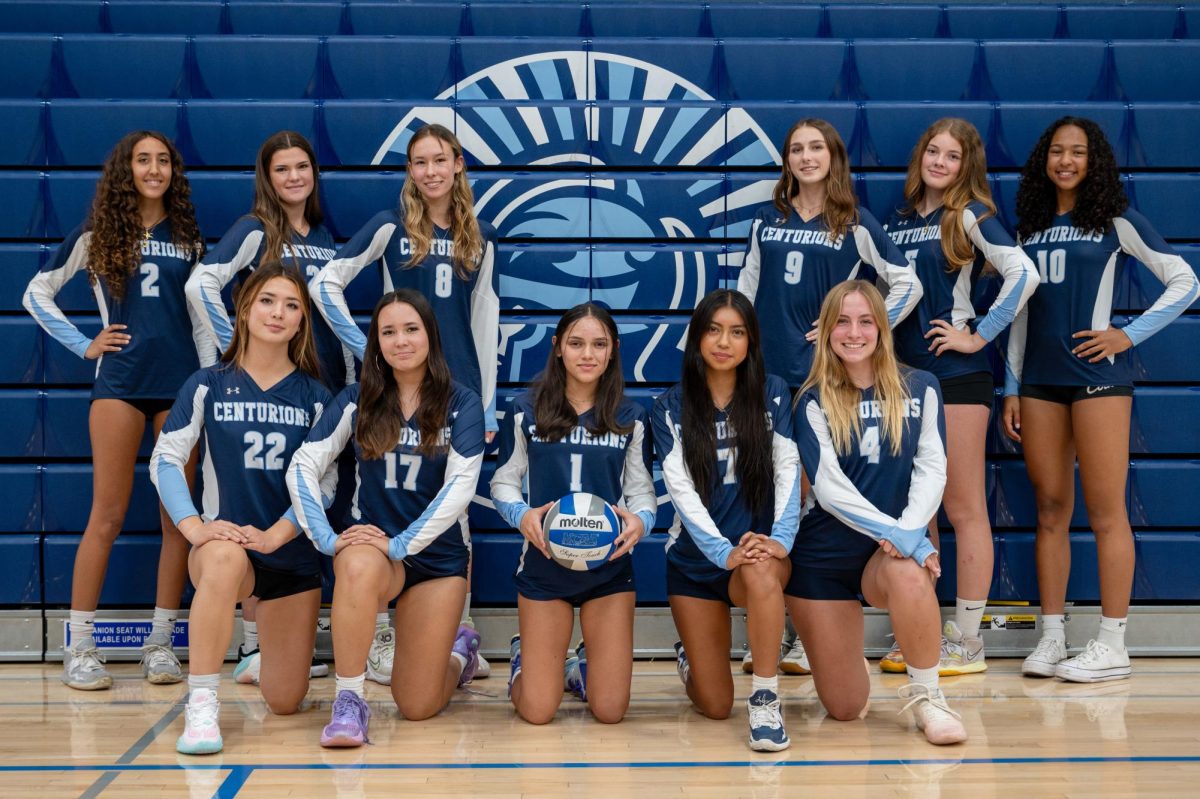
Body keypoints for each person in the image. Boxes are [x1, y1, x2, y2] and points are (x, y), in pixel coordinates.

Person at [1004, 117, 1199, 682]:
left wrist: (1127, 334)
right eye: (1057, 151)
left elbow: (1184, 280)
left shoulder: (1114, 220)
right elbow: (1019, 316)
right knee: (1049, 511)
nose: (1066, 160)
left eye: (1079, 152)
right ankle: (1052, 637)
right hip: (1039, 383)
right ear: (1045, 160)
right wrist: (1013, 388)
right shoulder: (1029, 229)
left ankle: (1113, 642)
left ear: (1096, 162)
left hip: (1098, 381)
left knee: (1108, 511)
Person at [311, 123, 499, 684]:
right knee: (382, 495)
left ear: (459, 164)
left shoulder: (480, 236)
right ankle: (382, 637)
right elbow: (325, 284)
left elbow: (485, 319)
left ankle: (456, 634)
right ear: (410, 172)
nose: (431, 171)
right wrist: (365, 348)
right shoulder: (390, 228)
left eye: (440, 160)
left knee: (453, 512)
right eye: (420, 162)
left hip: (455, 393)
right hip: (396, 392)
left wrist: (486, 405)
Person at [23, 130, 203, 691]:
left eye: (163, 161)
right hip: (120, 384)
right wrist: (85, 344)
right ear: (125, 170)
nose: (154, 169)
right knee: (108, 513)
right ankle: (81, 646)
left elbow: (202, 320)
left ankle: (161, 644)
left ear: (174, 171)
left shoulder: (190, 238)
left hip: (179, 389)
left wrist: (210, 380)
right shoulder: (98, 232)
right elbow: (37, 292)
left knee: (177, 520)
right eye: (143, 160)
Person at [288, 289, 485, 747]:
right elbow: (303, 464)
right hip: (377, 554)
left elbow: (460, 488)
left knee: (417, 706)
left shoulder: (463, 403)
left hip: (437, 559)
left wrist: (402, 543)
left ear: (431, 337)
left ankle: (459, 656)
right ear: (375, 343)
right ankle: (350, 700)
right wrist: (327, 538)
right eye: (388, 332)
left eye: (411, 329)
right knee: (355, 561)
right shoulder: (358, 399)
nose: (401, 341)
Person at [185, 130, 347, 683]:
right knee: (250, 495)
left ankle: (277, 646)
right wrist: (241, 351)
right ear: (267, 177)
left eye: (303, 166)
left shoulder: (326, 236)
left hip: (315, 390)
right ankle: (253, 646)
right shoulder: (256, 230)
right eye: (282, 169)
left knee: (302, 497)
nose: (295, 177)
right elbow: (200, 284)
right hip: (262, 385)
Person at [880, 118, 1039, 675]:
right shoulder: (896, 222)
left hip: (956, 376)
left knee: (963, 506)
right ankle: (921, 633)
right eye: (933, 151)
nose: (940, 162)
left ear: (966, 165)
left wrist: (977, 335)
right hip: (902, 378)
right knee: (916, 509)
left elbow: (1024, 275)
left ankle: (967, 641)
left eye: (952, 156)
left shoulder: (969, 214)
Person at [151, 264, 331, 755]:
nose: (279, 313)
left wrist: (279, 533)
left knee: (287, 700)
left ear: (301, 324)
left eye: (292, 305)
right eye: (268, 300)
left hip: (289, 554)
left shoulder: (316, 397)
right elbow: (166, 458)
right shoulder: (208, 382)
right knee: (226, 556)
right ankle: (202, 702)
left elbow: (327, 486)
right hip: (225, 548)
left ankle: (261, 662)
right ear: (245, 309)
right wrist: (192, 526)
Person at [787, 280, 966, 746]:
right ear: (826, 331)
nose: (854, 332)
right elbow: (829, 489)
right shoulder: (811, 399)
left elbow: (932, 468)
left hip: (884, 557)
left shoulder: (921, 387)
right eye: (842, 322)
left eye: (866, 321)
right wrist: (902, 532)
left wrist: (907, 534)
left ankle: (928, 696)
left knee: (908, 572)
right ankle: (846, 658)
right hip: (822, 560)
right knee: (845, 709)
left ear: (882, 328)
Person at [490, 303, 656, 725]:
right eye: (576, 343)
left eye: (599, 344)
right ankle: (523, 661)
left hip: (610, 571)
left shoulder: (631, 417)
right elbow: (503, 483)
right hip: (546, 568)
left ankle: (581, 665)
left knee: (610, 711)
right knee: (538, 710)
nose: (588, 354)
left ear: (613, 350)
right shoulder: (525, 410)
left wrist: (641, 522)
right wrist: (521, 514)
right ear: (557, 348)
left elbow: (641, 494)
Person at [653, 290, 801, 752]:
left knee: (759, 573)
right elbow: (680, 492)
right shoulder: (669, 406)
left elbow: (789, 470)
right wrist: (722, 551)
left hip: (757, 555)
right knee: (715, 704)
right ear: (697, 337)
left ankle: (765, 699)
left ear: (751, 341)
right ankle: (691, 663)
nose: (724, 342)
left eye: (737, 332)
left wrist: (779, 541)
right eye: (714, 330)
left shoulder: (773, 392)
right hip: (696, 564)